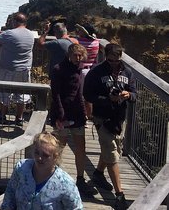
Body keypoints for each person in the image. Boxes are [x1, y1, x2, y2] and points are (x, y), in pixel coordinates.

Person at [83, 43, 136, 210]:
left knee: (114, 150)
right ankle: (120, 196)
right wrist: (107, 99)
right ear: (106, 56)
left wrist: (129, 95)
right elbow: (88, 94)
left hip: (120, 119)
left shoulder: (127, 72)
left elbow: (135, 93)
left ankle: (98, 174)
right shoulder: (96, 72)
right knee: (112, 154)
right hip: (102, 118)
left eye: (118, 60)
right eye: (111, 60)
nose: (115, 63)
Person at [50, 43, 97, 197]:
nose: (78, 58)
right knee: (59, 147)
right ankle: (53, 174)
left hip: (76, 113)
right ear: (69, 55)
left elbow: (78, 94)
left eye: (80, 56)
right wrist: (60, 114)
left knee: (80, 147)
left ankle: (80, 178)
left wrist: (84, 114)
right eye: (75, 55)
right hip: (61, 113)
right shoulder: (58, 69)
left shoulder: (79, 70)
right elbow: (55, 94)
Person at [0, 131, 83, 209]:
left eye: (45, 155)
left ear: (55, 157)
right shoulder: (21, 168)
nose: (39, 158)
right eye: (37, 153)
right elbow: (9, 198)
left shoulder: (66, 183)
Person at [0, 12, 35, 127]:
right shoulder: (30, 34)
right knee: (21, 93)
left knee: (4, 92)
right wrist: (0, 32)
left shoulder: (9, 34)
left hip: (9, 68)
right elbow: (13, 35)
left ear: (14, 21)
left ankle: (2, 116)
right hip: (25, 69)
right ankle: (19, 118)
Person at [75, 23, 101, 117]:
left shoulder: (79, 42)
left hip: (82, 71)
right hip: (92, 71)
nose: (79, 32)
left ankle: (82, 116)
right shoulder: (96, 42)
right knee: (88, 96)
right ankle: (89, 115)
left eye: (81, 30)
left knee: (79, 95)